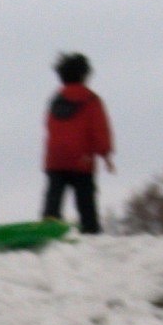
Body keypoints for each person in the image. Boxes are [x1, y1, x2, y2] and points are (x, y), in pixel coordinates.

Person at [41, 52, 114, 234]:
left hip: (55, 159)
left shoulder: (55, 100)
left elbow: (49, 127)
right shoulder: (91, 100)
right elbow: (99, 130)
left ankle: (48, 228)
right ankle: (90, 231)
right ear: (84, 74)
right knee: (85, 201)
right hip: (82, 160)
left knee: (53, 199)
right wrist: (105, 155)